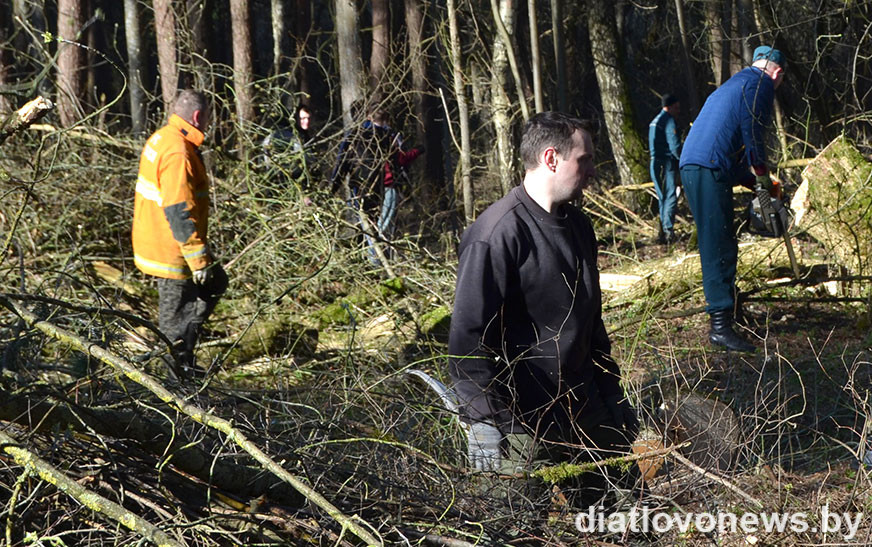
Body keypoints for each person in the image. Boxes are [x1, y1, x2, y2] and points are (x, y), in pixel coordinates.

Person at [448, 112, 639, 499]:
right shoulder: (496, 234)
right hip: (519, 421)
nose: (592, 172)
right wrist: (484, 420)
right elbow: (468, 340)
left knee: (632, 518)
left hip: (586, 405)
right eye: (584, 160)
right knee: (516, 531)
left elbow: (590, 325)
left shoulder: (579, 227)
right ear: (551, 159)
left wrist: (612, 394)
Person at [679, 46, 785, 353]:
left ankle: (729, 308)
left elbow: (730, 149)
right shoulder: (760, 84)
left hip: (698, 165)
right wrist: (763, 173)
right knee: (718, 243)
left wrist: (755, 183)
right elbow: (753, 131)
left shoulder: (735, 84)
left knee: (721, 238)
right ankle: (721, 327)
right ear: (777, 73)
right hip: (707, 168)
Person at [132, 89, 228, 378]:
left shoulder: (163, 137)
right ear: (198, 117)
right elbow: (179, 212)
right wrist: (198, 261)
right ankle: (171, 384)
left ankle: (183, 361)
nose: (209, 124)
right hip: (171, 250)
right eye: (208, 118)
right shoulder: (177, 151)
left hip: (163, 241)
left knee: (216, 282)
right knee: (173, 322)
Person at [377, 132, 424, 242]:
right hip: (388, 186)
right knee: (386, 218)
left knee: (390, 220)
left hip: (387, 186)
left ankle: (386, 245)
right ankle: (376, 245)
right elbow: (402, 158)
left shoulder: (384, 142)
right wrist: (417, 151)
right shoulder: (387, 144)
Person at [648, 93, 682, 244]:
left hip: (654, 162)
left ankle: (662, 232)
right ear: (669, 107)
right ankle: (668, 233)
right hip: (666, 163)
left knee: (662, 197)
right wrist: (682, 160)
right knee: (670, 197)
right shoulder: (668, 122)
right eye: (676, 107)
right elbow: (674, 147)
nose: (678, 111)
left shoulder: (654, 121)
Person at [261, 103, 315, 195]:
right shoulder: (294, 137)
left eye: (308, 118)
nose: (306, 121)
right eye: (302, 118)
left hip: (273, 180)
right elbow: (306, 157)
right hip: (294, 179)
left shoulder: (269, 138)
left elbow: (265, 159)